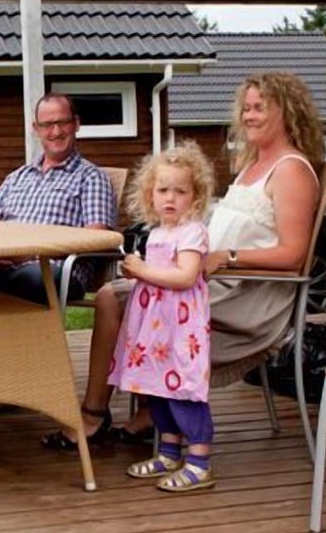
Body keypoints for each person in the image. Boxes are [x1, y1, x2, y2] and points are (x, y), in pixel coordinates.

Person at [50, 71, 325, 446]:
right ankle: (151, 411)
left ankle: (94, 415)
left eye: (260, 107)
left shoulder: (291, 169)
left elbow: (295, 257)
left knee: (113, 297)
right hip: (212, 282)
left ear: (288, 111)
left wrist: (223, 258)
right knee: (130, 291)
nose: (249, 116)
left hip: (248, 298)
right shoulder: (252, 166)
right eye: (246, 108)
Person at [0, 93, 116, 305]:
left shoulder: (91, 177)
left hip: (49, 269)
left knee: (26, 282)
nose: (55, 131)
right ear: (36, 129)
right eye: (47, 125)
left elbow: (98, 239)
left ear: (76, 124)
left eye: (62, 122)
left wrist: (31, 253)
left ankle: (15, 337)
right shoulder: (16, 177)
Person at [106, 143, 217, 491]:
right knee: (157, 388)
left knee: (183, 390)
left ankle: (199, 462)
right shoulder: (157, 232)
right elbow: (155, 274)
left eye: (180, 191)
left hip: (179, 331)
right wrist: (137, 272)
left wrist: (145, 270)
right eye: (163, 189)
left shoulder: (191, 232)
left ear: (195, 196)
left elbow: (185, 276)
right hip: (155, 332)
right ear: (149, 194)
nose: (170, 198)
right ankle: (169, 452)